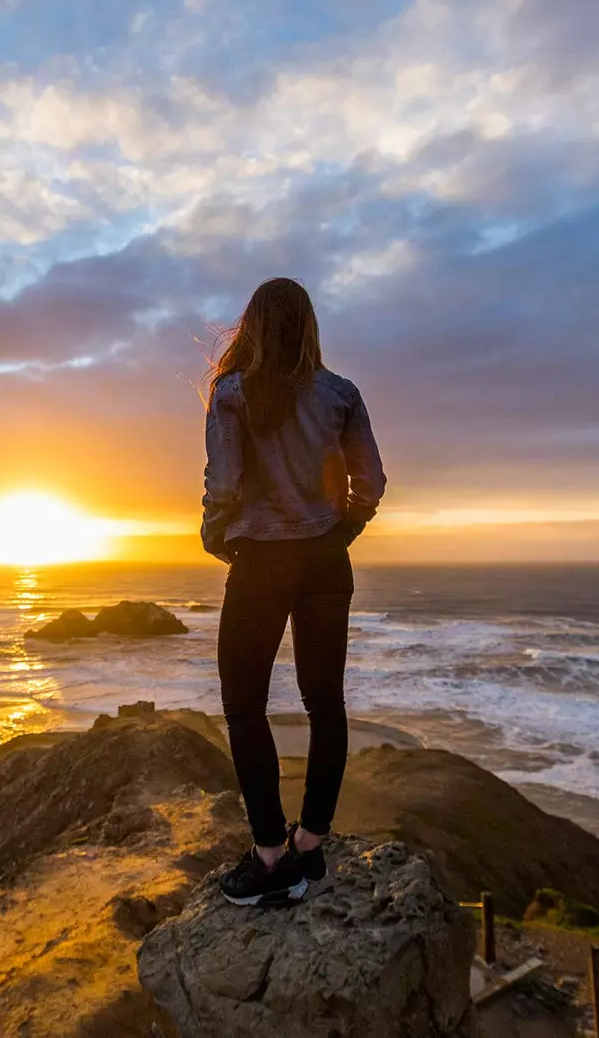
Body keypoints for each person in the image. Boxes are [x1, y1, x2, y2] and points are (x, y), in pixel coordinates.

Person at [200, 276, 386, 906]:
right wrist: (343, 530)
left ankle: (269, 856)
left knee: (244, 707)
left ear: (251, 327)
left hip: (259, 563)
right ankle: (310, 848)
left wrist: (214, 533)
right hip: (325, 559)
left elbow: (223, 486)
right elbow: (373, 480)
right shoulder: (341, 394)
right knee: (324, 704)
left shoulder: (231, 395)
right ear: (309, 327)